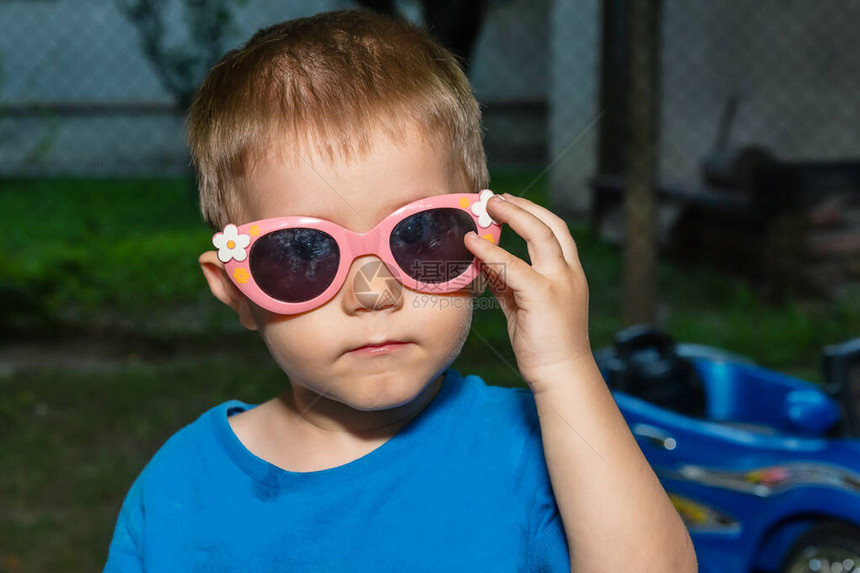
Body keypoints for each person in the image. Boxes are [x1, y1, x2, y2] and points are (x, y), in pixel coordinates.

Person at [103, 9, 697, 572]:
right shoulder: (181, 489)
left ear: (484, 243)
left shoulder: (538, 449)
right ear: (237, 290)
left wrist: (566, 368)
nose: (374, 292)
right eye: (304, 252)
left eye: (420, 235)